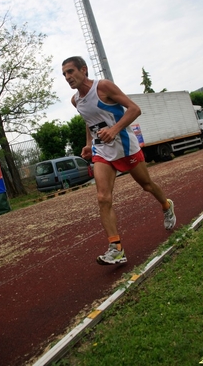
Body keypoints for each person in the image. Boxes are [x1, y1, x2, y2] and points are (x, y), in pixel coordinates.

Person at [62, 56, 176, 266]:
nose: (68, 77)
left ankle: (166, 205)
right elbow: (89, 122)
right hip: (102, 151)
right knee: (103, 197)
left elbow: (134, 109)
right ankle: (116, 248)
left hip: (125, 146)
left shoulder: (103, 87)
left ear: (83, 70)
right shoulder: (75, 100)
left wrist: (114, 129)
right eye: (64, 75)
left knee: (147, 185)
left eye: (70, 72)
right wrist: (89, 144)